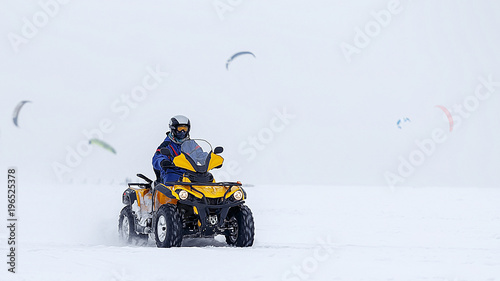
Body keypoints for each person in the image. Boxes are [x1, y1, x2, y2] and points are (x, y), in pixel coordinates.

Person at [152, 115, 191, 183]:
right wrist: (162, 161)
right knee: (171, 183)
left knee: (208, 180)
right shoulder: (166, 145)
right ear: (173, 129)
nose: (182, 131)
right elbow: (157, 157)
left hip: (190, 174)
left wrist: (213, 160)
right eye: (180, 129)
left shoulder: (190, 144)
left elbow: (200, 154)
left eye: (185, 129)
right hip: (173, 173)